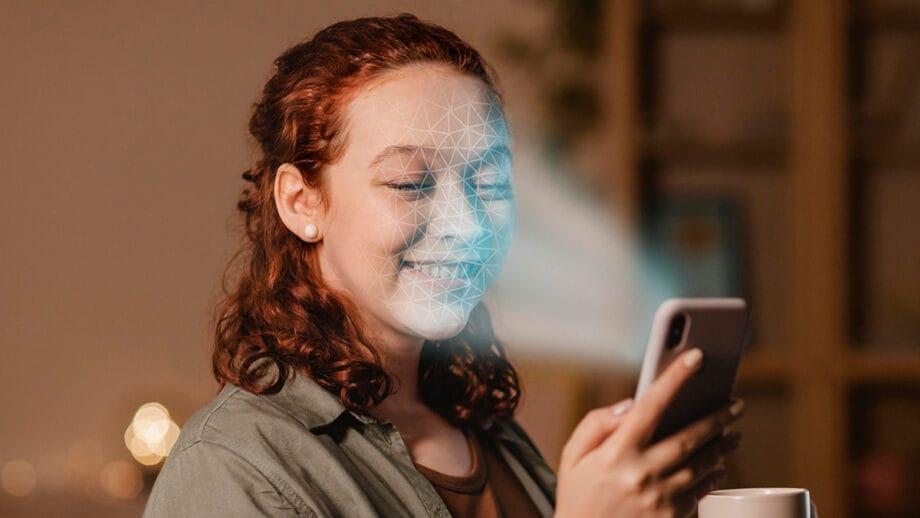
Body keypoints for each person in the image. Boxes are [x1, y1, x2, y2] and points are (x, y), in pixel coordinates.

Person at [144, 14, 742, 518]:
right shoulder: (231, 465)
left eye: (490, 181)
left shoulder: (485, 430)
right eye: (410, 182)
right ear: (302, 203)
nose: (469, 224)